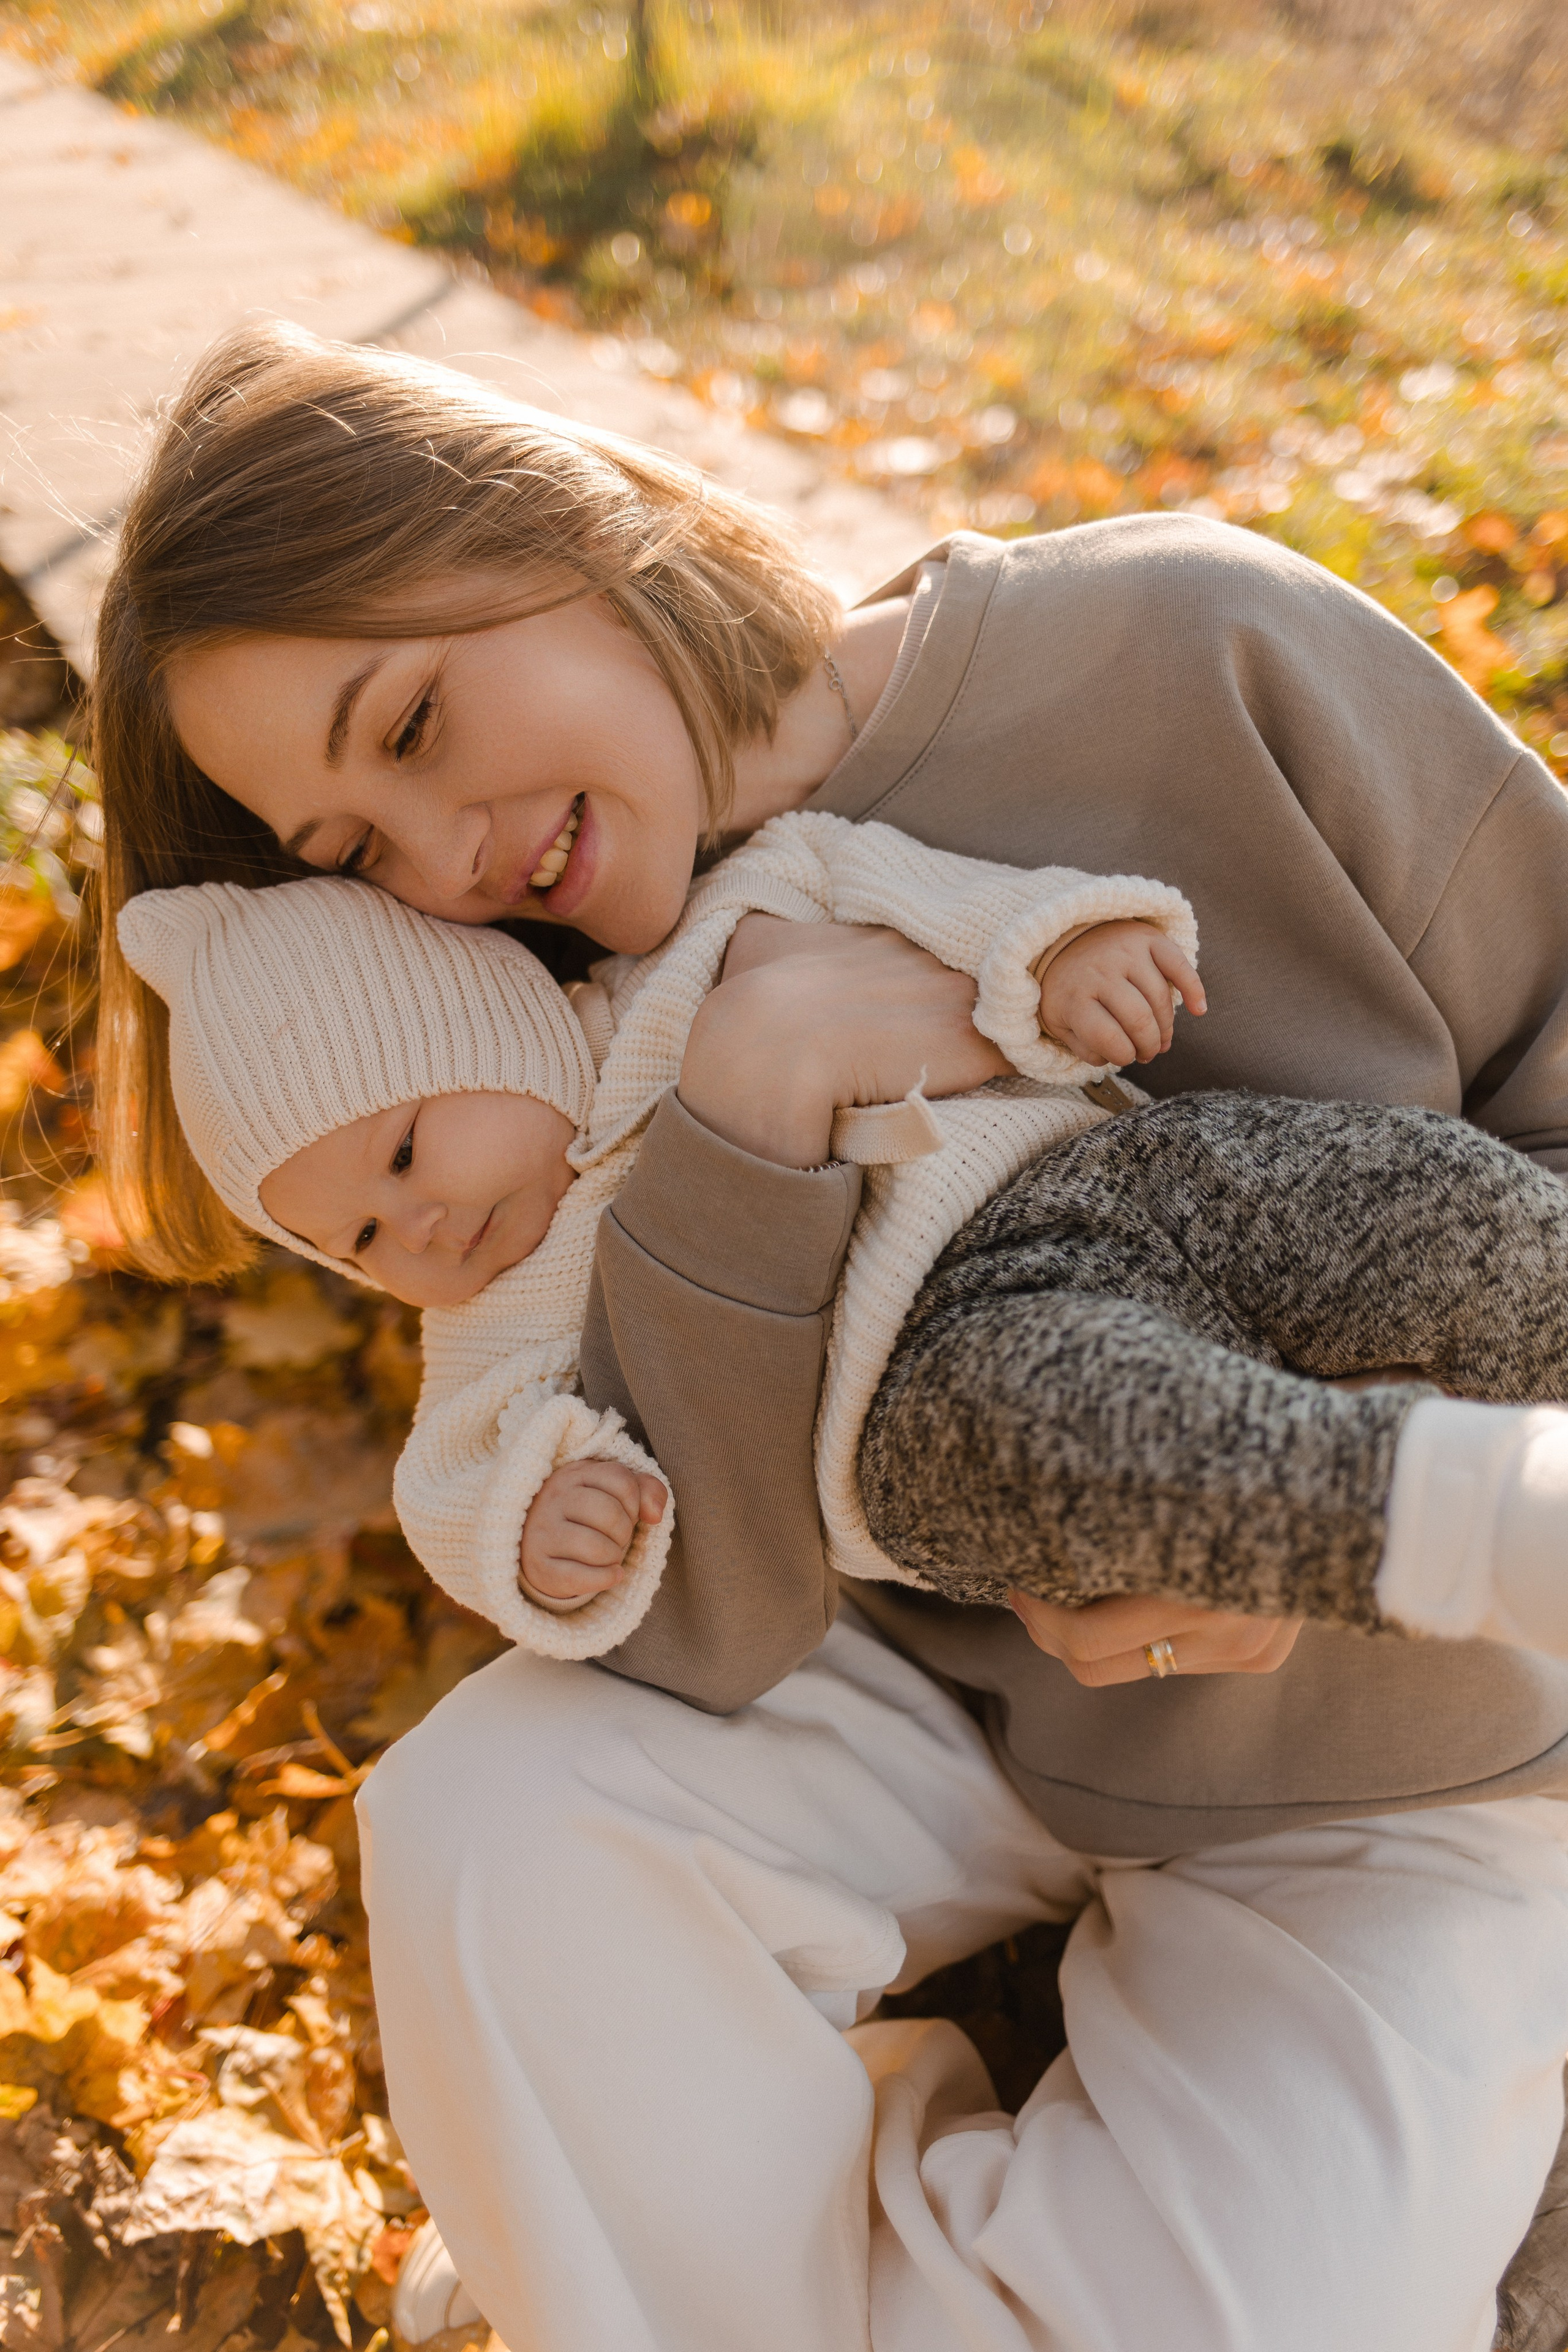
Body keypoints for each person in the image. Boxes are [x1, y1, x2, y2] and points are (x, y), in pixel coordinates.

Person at [92, 318, 1568, 2348]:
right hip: (911, 1692)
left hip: (1397, 1741)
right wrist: (744, 1121)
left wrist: (1274, 1535)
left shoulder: (1189, 650)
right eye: (346, 851)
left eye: (416, 724)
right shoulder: (534, 1038)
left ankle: (733, 2247)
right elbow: (697, 1626)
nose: (439, 862)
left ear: (563, 515)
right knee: (488, 1829)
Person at [120, 839, 1568, 1674]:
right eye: (357, 1243)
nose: (416, 1230)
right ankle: (1472, 1524)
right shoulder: (499, 1318)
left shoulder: (712, 943)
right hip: (923, 1394)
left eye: (405, 1155)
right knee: (1089, 1428)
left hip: (1112, 1176)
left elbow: (881, 877)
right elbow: (451, 1475)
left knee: (1396, 1191)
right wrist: (534, 1527)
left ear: (486, 1025)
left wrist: (1051, 952)